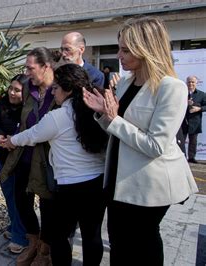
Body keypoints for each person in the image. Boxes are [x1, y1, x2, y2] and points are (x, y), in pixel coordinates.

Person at [82, 17, 199, 265]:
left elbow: (156, 145)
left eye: (125, 49)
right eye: (119, 48)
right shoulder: (125, 82)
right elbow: (116, 128)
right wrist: (104, 114)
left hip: (149, 185)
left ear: (146, 49)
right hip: (118, 177)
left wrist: (114, 119)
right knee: (119, 242)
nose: (119, 55)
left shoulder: (172, 88)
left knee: (142, 244)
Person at [3, 64, 108, 265]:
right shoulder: (96, 111)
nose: (53, 91)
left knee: (58, 236)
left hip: (71, 187)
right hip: (97, 183)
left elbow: (32, 135)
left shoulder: (58, 117)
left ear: (67, 89)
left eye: (56, 88)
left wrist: (11, 140)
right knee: (91, 235)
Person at [0, 47, 62, 266]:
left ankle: (45, 251)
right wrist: (7, 135)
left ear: (46, 67)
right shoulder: (27, 87)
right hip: (23, 157)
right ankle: (33, 243)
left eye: (30, 68)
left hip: (48, 161)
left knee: (48, 207)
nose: (26, 73)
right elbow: (17, 116)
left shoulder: (60, 89)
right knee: (22, 203)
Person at [0, 74, 29, 254]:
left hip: (21, 161)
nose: (12, 93)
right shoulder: (2, 103)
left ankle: (21, 236)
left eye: (17, 90)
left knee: (18, 198)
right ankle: (16, 226)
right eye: (11, 88)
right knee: (8, 195)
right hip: (3, 158)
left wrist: (15, 140)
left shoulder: (29, 107)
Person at [185, 75, 206, 163]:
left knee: (193, 141)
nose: (191, 84)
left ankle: (191, 157)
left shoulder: (202, 94)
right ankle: (182, 157)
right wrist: (186, 103)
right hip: (182, 121)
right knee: (181, 140)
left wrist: (199, 109)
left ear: (196, 83)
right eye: (189, 82)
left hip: (195, 122)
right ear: (186, 83)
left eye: (193, 82)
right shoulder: (182, 93)